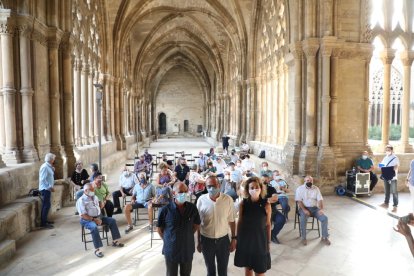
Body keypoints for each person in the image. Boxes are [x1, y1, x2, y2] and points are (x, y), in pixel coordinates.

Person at [157, 182, 201, 276]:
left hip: (187, 248)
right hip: (171, 249)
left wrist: (187, 234)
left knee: (186, 274)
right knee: (171, 274)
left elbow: (196, 225)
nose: (184, 194)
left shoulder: (192, 208)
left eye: (186, 191)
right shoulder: (165, 210)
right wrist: (170, 239)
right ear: (173, 193)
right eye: (181, 192)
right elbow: (159, 229)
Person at [196, 176, 236, 276]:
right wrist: (198, 241)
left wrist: (234, 239)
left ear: (219, 185)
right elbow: (198, 223)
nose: (212, 188)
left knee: (223, 270)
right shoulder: (201, 200)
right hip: (206, 240)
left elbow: (232, 221)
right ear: (206, 186)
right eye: (209, 186)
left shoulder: (228, 200)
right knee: (210, 270)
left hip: (223, 240)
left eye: (214, 185)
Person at [234, 177, 271, 275]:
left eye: (256, 187)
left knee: (260, 270)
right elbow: (240, 222)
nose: (254, 189)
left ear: (261, 188)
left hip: (260, 241)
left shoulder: (266, 204)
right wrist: (237, 239)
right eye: (251, 187)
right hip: (246, 241)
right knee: (248, 269)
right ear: (247, 190)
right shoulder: (243, 204)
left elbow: (268, 224)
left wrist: (268, 242)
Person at [76, 184, 124, 258]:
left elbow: (100, 205)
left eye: (93, 189)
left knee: (112, 221)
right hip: (87, 219)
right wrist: (94, 220)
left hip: (98, 216)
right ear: (86, 190)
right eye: (92, 190)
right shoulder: (81, 200)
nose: (93, 191)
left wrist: (102, 203)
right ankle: (97, 249)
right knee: (94, 227)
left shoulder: (94, 197)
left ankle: (115, 241)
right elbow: (83, 215)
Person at [295, 175, 331, 246]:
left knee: (324, 218)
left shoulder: (316, 188)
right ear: (305, 181)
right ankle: (304, 238)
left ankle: (325, 237)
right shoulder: (300, 189)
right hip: (304, 208)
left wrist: (321, 209)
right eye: (308, 180)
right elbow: (299, 201)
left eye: (311, 180)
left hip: (314, 208)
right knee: (303, 219)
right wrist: (305, 210)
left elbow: (320, 199)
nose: (309, 182)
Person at [379, 145, 400, 212]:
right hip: (385, 176)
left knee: (394, 191)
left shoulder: (395, 158)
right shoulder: (385, 157)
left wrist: (390, 168)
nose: (387, 151)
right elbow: (381, 165)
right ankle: (386, 203)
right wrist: (383, 166)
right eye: (386, 150)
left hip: (393, 177)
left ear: (392, 150)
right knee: (386, 190)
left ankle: (395, 206)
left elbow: (396, 166)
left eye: (389, 150)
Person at [39, 153, 56, 229]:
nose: (54, 160)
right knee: (46, 205)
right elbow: (42, 179)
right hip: (45, 189)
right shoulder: (45, 167)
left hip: (47, 189)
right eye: (53, 159)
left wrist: (52, 170)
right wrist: (49, 187)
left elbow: (49, 176)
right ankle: (43, 223)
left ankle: (45, 220)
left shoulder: (48, 166)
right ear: (51, 160)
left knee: (46, 205)